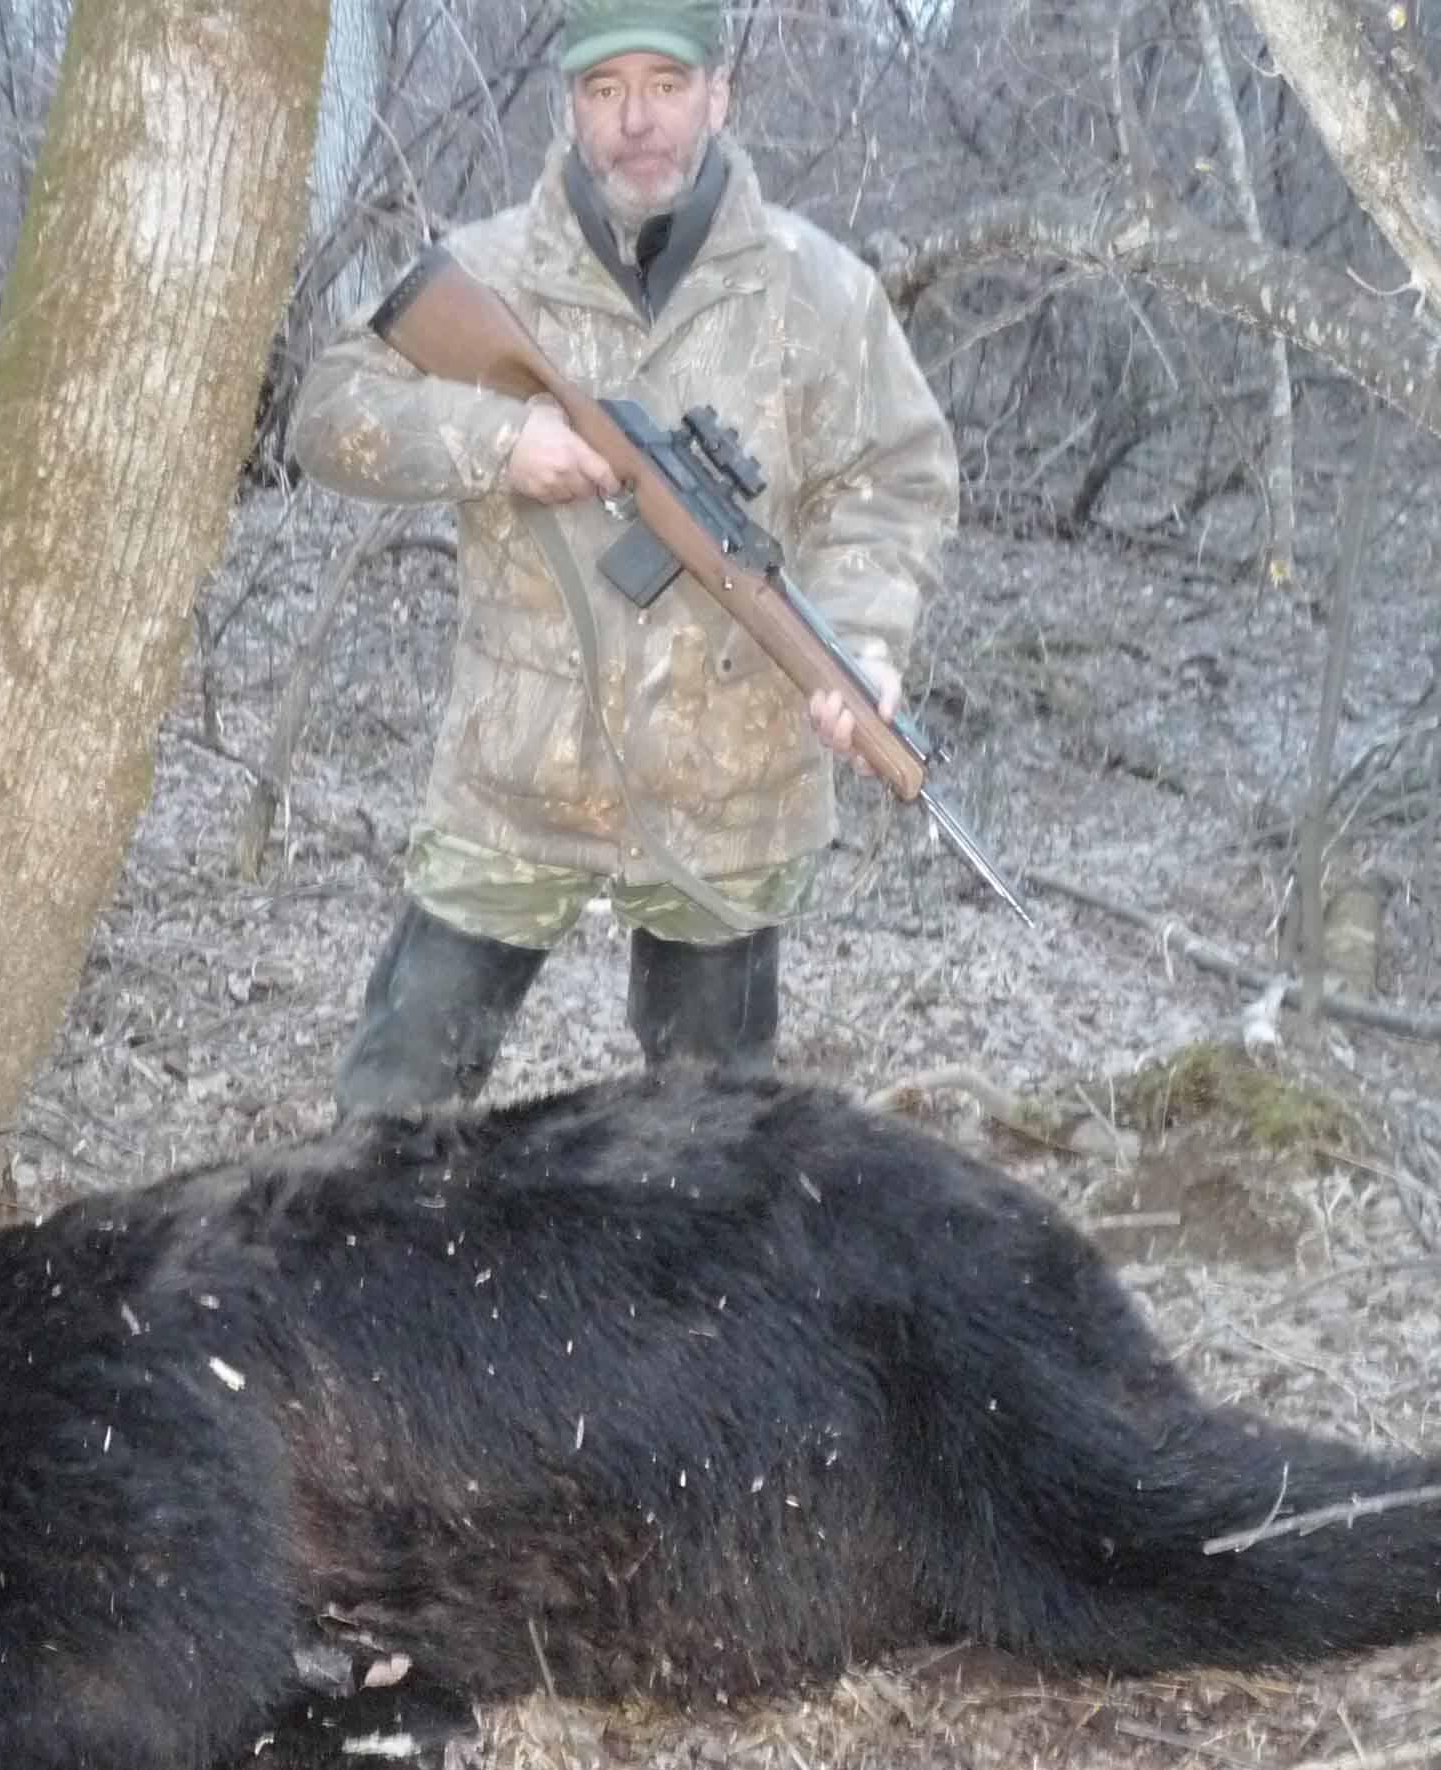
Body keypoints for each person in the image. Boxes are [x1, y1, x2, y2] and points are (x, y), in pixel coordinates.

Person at [289, 0, 959, 1117]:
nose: (636, 120)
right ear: (570, 107)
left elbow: (896, 483)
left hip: (730, 790)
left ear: (717, 95)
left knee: (713, 1146)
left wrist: (859, 642)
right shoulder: (488, 270)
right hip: (513, 779)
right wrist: (497, 440)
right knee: (392, 1117)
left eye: (665, 84)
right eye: (605, 90)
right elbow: (327, 414)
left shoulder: (819, 289)